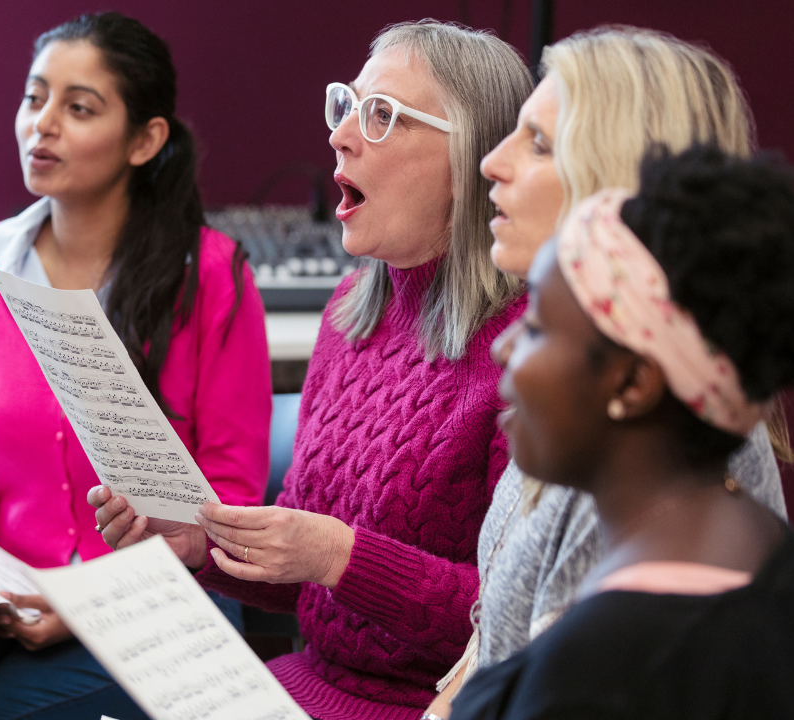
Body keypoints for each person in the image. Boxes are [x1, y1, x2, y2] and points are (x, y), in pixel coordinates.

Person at [92, 20, 532, 719]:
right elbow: (307, 585)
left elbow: (519, 622)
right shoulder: (346, 316)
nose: (343, 134)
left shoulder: (527, 355)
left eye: (381, 115)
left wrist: (338, 555)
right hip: (296, 686)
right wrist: (203, 548)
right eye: (348, 106)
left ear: (473, 155)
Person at [0, 12, 272, 720]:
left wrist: (81, 604)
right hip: (6, 597)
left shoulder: (211, 275)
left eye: (78, 107)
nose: (42, 125)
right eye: (34, 98)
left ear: (145, 140)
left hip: (164, 597)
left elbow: (229, 498)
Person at [423, 27, 789, 718]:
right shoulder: (580, 395)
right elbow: (490, 653)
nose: (490, 165)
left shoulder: (646, 460)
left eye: (536, 144)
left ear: (617, 177)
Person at [452, 145, 794, 719]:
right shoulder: (770, 550)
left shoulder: (601, 672)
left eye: (535, 328)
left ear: (633, 384)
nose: (505, 349)